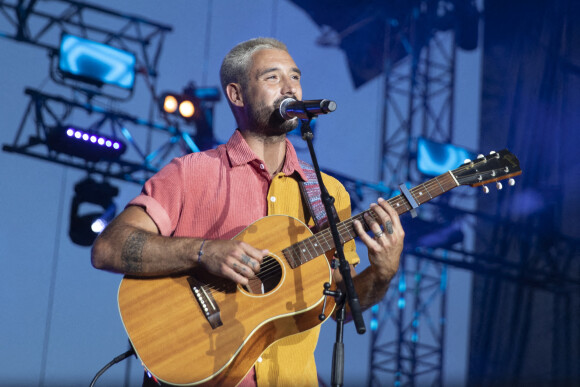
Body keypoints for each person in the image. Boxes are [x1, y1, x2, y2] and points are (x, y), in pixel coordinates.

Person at [91, 37, 404, 387]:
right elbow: (108, 248)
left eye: (296, 77)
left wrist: (383, 272)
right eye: (273, 78)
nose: (290, 87)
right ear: (236, 95)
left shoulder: (329, 194)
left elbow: (341, 309)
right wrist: (203, 251)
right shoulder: (190, 173)